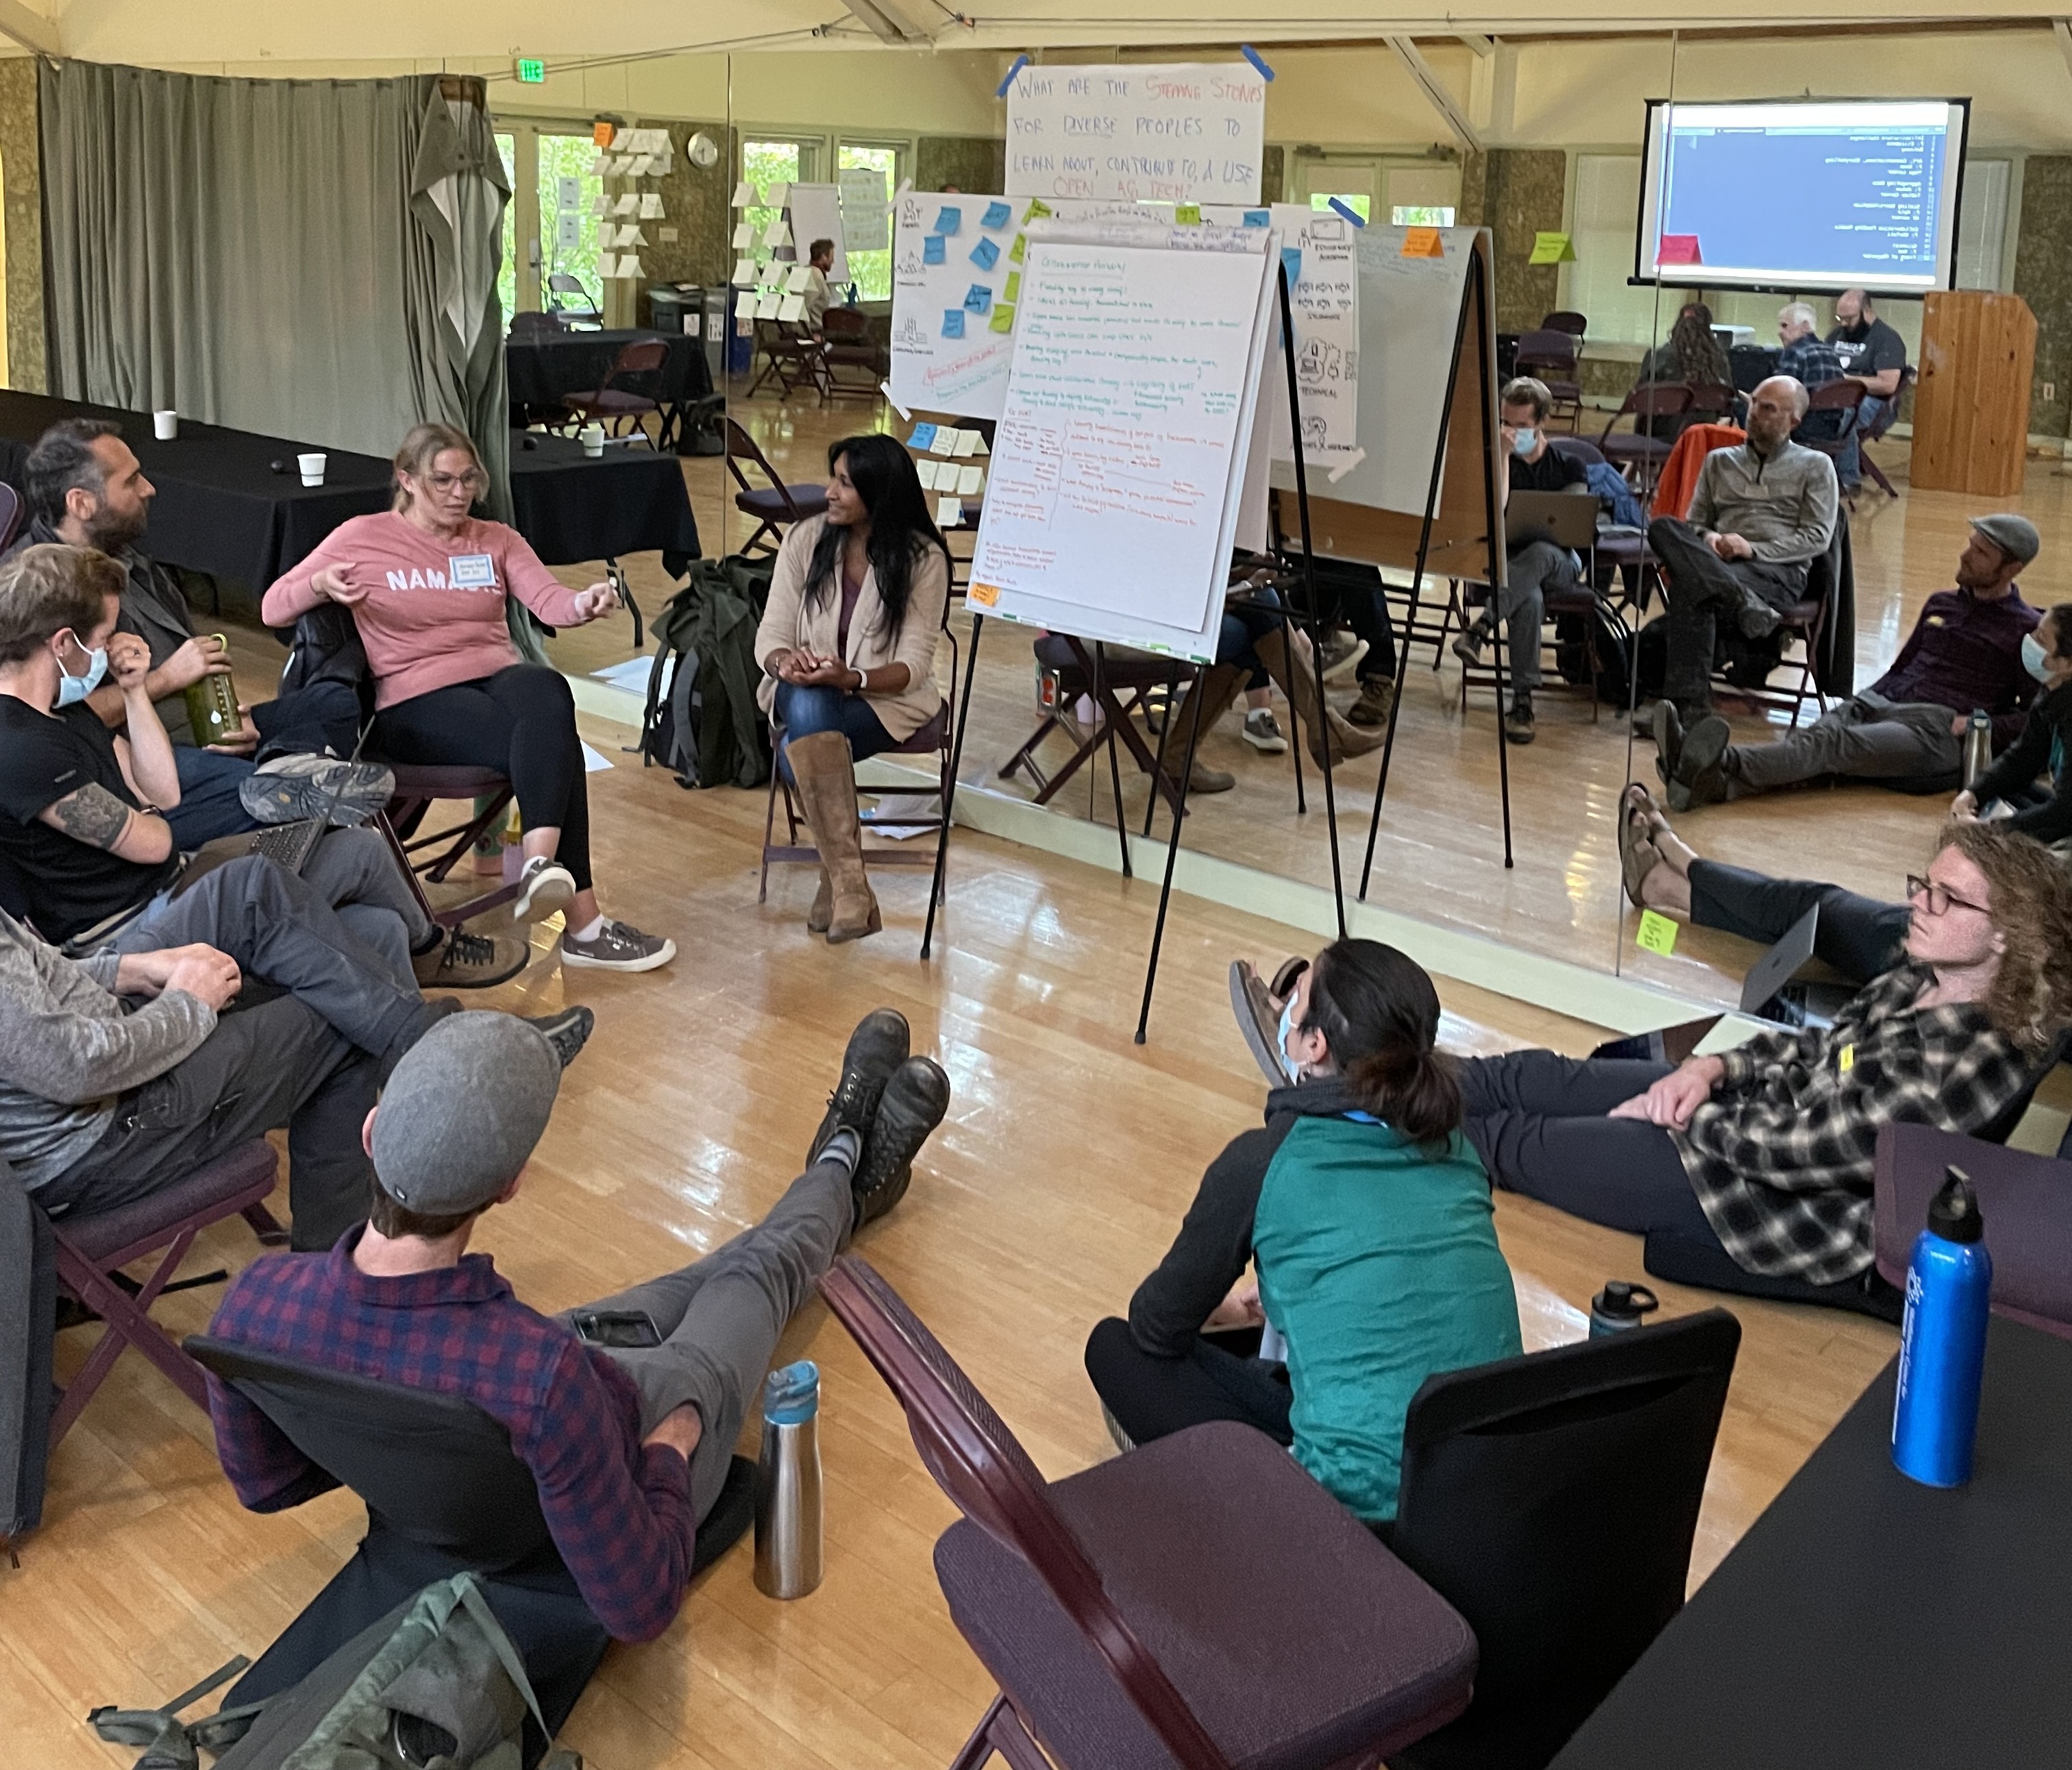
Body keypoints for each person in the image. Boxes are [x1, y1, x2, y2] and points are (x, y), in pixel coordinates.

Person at [204, 1007, 950, 1641]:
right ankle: (844, 1160)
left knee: (719, 1270)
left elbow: (267, 1484)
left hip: (519, 1403)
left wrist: (387, 1444)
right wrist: (672, 1443)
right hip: (616, 1445)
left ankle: (840, 1179)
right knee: (760, 1274)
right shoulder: (539, 1374)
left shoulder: (253, 1302)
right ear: (510, 1187)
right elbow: (639, 1605)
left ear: (371, 1134)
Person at [1463, 822, 2072, 1290]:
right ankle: (1373, 1072)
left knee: (1513, 1143)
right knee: (1531, 1075)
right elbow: (1824, 1049)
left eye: (1947, 898)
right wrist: (1715, 1068)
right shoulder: (1923, 977)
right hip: (1755, 1116)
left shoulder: (1967, 1061)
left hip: (1762, 1202)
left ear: (2006, 934)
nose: (1919, 904)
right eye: (1924, 886)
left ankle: (1374, 1121)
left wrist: (1682, 1113)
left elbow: (1805, 1153)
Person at [1085, 939, 1521, 1529]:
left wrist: (1220, 1312)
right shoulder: (1457, 1149)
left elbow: (1155, 1325)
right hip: (1485, 1495)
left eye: (1296, 997)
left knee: (1117, 1349)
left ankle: (1211, 1507)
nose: (1285, 1007)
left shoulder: (1261, 1162)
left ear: (1314, 1043)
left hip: (1354, 1524)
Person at [0, 543, 523, 991]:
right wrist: (149, 814)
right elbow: (157, 838)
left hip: (179, 879)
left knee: (374, 894)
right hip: (135, 926)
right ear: (64, 643)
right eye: (103, 638)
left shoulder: (66, 710)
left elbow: (164, 793)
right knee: (345, 879)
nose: (111, 648)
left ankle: (417, 1001)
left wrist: (135, 690)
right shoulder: (24, 746)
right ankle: (428, 962)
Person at [263, 423, 674, 974]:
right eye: (443, 481)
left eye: (468, 480)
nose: (459, 493)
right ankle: (583, 924)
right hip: (411, 697)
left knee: (547, 688)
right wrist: (319, 586)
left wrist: (585, 603)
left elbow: (549, 601)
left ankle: (537, 869)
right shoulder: (362, 536)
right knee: (553, 743)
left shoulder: (494, 538)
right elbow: (273, 606)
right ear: (406, 480)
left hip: (492, 678)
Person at [0, 880, 594, 1253]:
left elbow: (42, 977)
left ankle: (434, 1041)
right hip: (102, 1136)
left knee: (283, 900)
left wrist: (134, 968)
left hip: (112, 1060)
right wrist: (187, 1005)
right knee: (346, 1017)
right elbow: (73, 1068)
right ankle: (331, 1278)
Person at [8, 417, 386, 846]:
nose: (149, 489)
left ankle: (281, 764)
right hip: (138, 755)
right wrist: (165, 679)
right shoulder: (39, 592)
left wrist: (227, 714)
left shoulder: (127, 559)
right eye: (131, 481)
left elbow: (189, 661)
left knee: (334, 703)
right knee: (262, 796)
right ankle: (282, 784)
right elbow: (50, 723)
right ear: (81, 503)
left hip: (200, 725)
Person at [1653, 515, 2042, 810]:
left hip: (1937, 728)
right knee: (1812, 746)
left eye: (1981, 553)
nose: (1966, 555)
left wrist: (1978, 724)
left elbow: (2038, 718)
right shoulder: (1941, 604)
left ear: (2011, 568)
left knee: (1831, 744)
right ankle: (1710, 786)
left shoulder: (2026, 630)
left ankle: (1712, 760)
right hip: (1880, 704)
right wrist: (1864, 698)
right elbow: (1901, 666)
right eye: (1971, 545)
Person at [756, 434, 952, 942]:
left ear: (878, 491)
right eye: (833, 478)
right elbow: (771, 637)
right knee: (808, 700)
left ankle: (837, 882)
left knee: (797, 745)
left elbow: (913, 665)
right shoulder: (805, 539)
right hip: (805, 694)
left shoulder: (923, 559)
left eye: (845, 482)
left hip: (886, 703)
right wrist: (788, 662)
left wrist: (852, 678)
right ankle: (851, 886)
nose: (830, 492)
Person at [1643, 376, 1838, 726]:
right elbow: (1694, 524)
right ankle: (1742, 604)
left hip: (1777, 572)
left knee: (1692, 589)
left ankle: (1685, 709)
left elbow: (1817, 537)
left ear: (1794, 420)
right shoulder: (1720, 461)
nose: (1754, 414)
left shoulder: (1815, 466)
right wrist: (1709, 540)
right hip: (1717, 562)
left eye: (1768, 408)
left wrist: (1753, 549)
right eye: (1753, 404)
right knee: (1663, 527)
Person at [1450, 377, 1593, 743]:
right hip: (1510, 569)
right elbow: (1495, 515)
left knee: (1543, 551)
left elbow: (1574, 531)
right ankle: (1523, 702)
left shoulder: (1570, 466)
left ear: (1542, 422)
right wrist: (1501, 457)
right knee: (1528, 600)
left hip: (1561, 563)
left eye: (1522, 427)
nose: (1511, 433)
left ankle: (1482, 625)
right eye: (1505, 423)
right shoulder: (1495, 459)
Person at [1828, 289, 1908, 492]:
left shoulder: (1887, 339)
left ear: (1866, 311)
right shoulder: (1837, 335)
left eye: (1849, 318)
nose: (1844, 324)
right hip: (1835, 396)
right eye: (1840, 318)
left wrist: (1848, 380)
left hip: (1874, 403)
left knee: (1842, 414)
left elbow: (1887, 385)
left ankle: (1849, 479)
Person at [1776, 303, 1846, 442]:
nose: (1779, 332)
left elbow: (1779, 395)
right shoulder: (1831, 352)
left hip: (1800, 428)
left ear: (1805, 326)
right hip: (1833, 429)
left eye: (1785, 326)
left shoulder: (1794, 352)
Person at [802, 238, 835, 330]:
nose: (833, 261)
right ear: (824, 257)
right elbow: (806, 306)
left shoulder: (807, 272)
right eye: (831, 257)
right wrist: (809, 334)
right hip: (815, 332)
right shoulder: (815, 275)